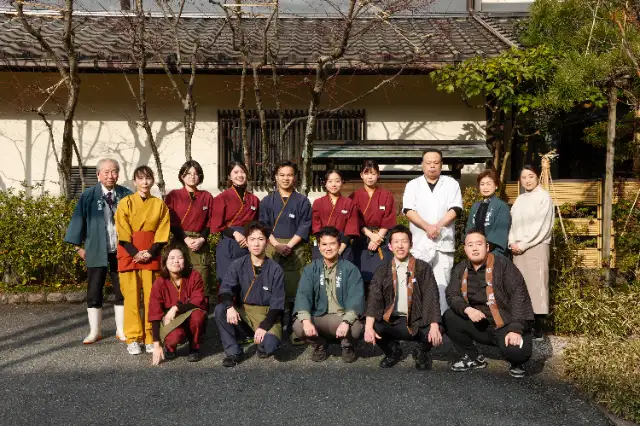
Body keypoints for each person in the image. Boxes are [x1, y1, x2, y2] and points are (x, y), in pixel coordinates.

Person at [443, 229, 534, 378]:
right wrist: (467, 309)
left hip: (505, 325)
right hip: (480, 325)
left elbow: (519, 295)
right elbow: (452, 294)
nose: (474, 248)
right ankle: (473, 357)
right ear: (465, 249)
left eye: (479, 244)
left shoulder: (503, 265)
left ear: (487, 247)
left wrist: (516, 329)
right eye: (470, 245)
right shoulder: (461, 268)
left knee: (518, 353)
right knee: (449, 317)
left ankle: (516, 362)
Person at [64, 158, 132, 344]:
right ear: (98, 175)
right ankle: (95, 331)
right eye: (106, 172)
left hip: (121, 249)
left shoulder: (126, 194)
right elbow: (78, 220)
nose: (111, 175)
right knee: (94, 290)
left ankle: (121, 330)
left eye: (114, 171)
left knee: (122, 289)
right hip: (95, 248)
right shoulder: (88, 195)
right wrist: (78, 247)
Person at [364, 225, 442, 370]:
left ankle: (421, 351)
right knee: (371, 324)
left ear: (411, 244)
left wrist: (434, 325)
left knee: (439, 326)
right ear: (390, 246)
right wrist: (368, 327)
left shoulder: (423, 267)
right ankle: (392, 351)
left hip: (417, 319)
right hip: (393, 320)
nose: (400, 246)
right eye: (396, 242)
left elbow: (431, 296)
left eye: (404, 241)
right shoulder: (382, 270)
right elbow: (374, 298)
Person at [115, 166, 170, 355]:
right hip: (128, 253)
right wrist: (135, 253)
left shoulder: (159, 205)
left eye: (148, 178)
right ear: (134, 181)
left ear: (153, 180)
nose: (145, 182)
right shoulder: (125, 203)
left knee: (151, 298)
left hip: (151, 254)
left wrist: (151, 252)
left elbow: (162, 230)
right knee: (131, 298)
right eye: (141, 178)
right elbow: (122, 230)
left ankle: (150, 337)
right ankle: (133, 337)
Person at [214, 221, 285, 367]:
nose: (256, 244)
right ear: (246, 242)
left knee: (270, 346)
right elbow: (225, 289)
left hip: (266, 314)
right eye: (252, 239)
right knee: (221, 309)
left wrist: (264, 326)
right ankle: (234, 351)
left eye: (260, 239)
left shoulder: (275, 269)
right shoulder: (237, 264)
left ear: (267, 243)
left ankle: (260, 342)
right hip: (244, 311)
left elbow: (277, 304)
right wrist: (230, 306)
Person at [402, 149, 462, 314]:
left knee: (442, 284)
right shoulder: (413, 185)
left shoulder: (451, 184)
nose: (432, 166)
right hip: (420, 242)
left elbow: (456, 208)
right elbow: (408, 210)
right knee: (418, 282)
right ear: (422, 164)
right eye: (428, 163)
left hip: (443, 242)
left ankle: (441, 320)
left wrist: (438, 226)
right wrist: (427, 227)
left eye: (436, 162)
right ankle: (420, 320)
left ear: (442, 164)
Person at [292, 226, 365, 363]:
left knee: (356, 328)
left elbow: (356, 298)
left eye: (332, 244)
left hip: (341, 317)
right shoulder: (311, 269)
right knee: (298, 326)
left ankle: (346, 345)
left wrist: (346, 322)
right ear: (319, 247)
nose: (328, 248)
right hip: (319, 316)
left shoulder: (350, 269)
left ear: (339, 245)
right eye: (324, 244)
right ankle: (320, 344)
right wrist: (306, 321)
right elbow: (303, 295)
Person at [259, 161, 312, 339]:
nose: (285, 178)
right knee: (272, 285)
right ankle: (275, 323)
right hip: (273, 247)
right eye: (282, 175)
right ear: (275, 177)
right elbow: (264, 226)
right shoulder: (267, 201)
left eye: (289, 175)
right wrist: (276, 245)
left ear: (295, 177)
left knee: (294, 287)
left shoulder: (302, 201)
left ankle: (293, 325)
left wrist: (289, 245)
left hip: (294, 248)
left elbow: (305, 225)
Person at [508, 165, 554, 340]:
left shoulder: (544, 197)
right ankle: (524, 324)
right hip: (518, 247)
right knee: (521, 286)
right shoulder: (520, 199)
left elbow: (541, 226)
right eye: (524, 177)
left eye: (530, 176)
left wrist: (524, 243)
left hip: (536, 245)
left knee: (537, 285)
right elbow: (512, 223)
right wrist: (512, 241)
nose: (527, 180)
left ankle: (538, 327)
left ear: (537, 177)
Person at [148, 245, 207, 365]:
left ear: (185, 260)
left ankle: (194, 347)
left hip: (190, 315)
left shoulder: (194, 276)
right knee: (174, 337)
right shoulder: (159, 282)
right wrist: (156, 344)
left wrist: (176, 308)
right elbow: (154, 312)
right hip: (171, 320)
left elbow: (198, 300)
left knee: (198, 315)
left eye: (180, 258)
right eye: (172, 258)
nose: (176, 261)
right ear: (165, 262)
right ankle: (170, 347)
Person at [164, 160, 215, 298]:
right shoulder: (173, 195)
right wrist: (185, 239)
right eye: (188, 173)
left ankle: (200, 310)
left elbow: (211, 221)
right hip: (180, 240)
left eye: (196, 174)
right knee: (177, 276)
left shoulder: (206, 196)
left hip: (200, 242)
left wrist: (202, 239)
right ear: (182, 176)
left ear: (200, 176)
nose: (192, 176)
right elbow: (170, 221)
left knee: (202, 279)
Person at [210, 161, 260, 288]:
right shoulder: (222, 198)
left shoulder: (254, 199)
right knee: (227, 282)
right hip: (228, 243)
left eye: (243, 172)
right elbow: (217, 224)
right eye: (236, 172)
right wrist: (234, 233)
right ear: (229, 176)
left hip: (247, 245)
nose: (240, 175)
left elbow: (257, 223)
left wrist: (249, 237)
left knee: (247, 283)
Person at [349, 159, 396, 285]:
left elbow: (389, 218)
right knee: (360, 278)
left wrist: (378, 238)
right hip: (362, 238)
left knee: (383, 278)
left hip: (382, 238)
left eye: (373, 173)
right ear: (361, 175)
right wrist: (370, 235)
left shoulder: (386, 195)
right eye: (367, 173)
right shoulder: (354, 196)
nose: (370, 177)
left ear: (378, 175)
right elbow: (353, 219)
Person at [311, 169, 359, 263]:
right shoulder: (318, 203)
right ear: (325, 183)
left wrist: (340, 249)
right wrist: (325, 246)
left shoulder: (349, 203)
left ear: (342, 182)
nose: (334, 184)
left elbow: (351, 228)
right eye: (330, 181)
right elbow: (316, 226)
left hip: (343, 245)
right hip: (323, 246)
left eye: (337, 181)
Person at [465, 169, 511, 256]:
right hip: (475, 252)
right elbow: (470, 229)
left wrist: (484, 249)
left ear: (496, 186)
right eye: (482, 184)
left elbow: (500, 232)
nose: (485, 187)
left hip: (494, 253)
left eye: (489, 184)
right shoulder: (475, 206)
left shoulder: (502, 206)